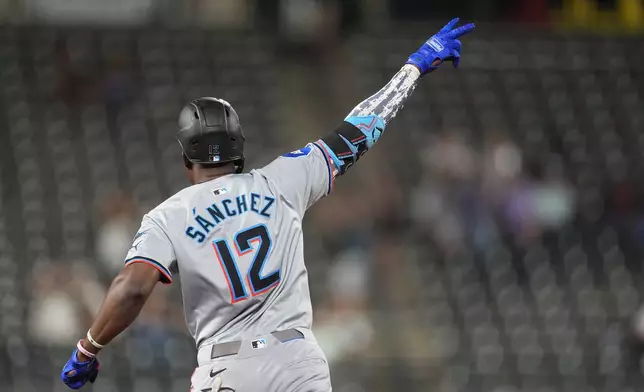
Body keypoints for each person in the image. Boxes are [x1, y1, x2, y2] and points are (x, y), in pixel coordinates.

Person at [60, 18, 475, 391]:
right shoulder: (283, 179)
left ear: (186, 157)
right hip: (299, 363)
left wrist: (88, 347)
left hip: (229, 368)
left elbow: (132, 288)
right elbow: (361, 128)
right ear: (239, 147)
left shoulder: (167, 216)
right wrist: (414, 67)